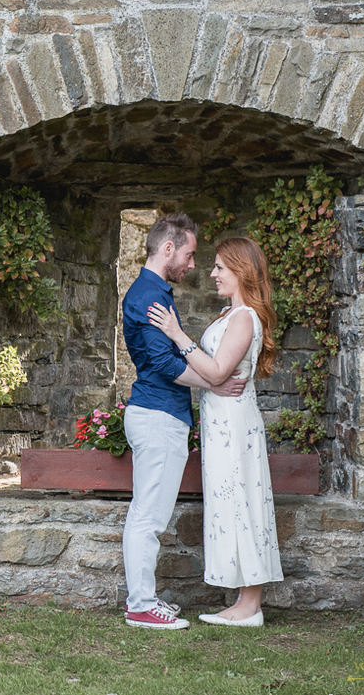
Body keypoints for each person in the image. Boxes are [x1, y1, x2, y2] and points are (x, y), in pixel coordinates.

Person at [146, 236, 283, 627]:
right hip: (220, 424)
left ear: (241, 270)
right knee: (229, 502)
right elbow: (214, 372)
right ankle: (243, 601)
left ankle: (250, 605)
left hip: (235, 425)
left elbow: (220, 371)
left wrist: (177, 334)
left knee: (243, 502)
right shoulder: (228, 314)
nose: (212, 274)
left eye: (220, 267)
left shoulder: (244, 318)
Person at [120, 213, 246, 630]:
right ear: (168, 248)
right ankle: (141, 606)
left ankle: (145, 600)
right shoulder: (149, 295)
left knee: (149, 514)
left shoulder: (155, 292)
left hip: (160, 414)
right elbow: (164, 364)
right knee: (148, 517)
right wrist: (214, 383)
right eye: (189, 255)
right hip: (157, 415)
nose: (193, 265)